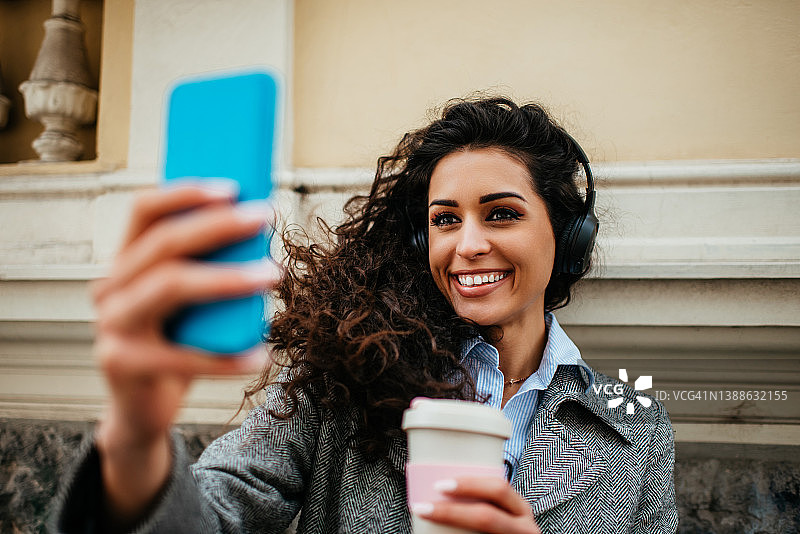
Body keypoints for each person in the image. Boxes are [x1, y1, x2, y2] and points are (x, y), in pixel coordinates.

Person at [54, 97, 678, 533]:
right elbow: (212, 519)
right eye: (443, 220)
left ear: (564, 236)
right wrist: (134, 433)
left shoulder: (636, 430)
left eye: (502, 213)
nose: (466, 244)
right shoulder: (344, 375)